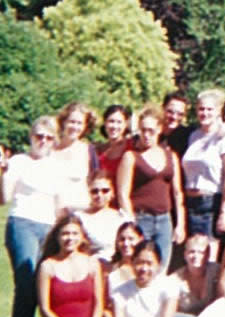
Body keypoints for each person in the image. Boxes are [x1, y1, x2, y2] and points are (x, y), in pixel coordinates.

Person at [0, 116, 72, 317]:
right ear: (31, 137)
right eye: (39, 136)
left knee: (46, 280)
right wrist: (2, 173)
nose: (43, 141)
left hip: (48, 227)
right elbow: (2, 199)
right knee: (27, 277)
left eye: (49, 138)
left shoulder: (57, 167)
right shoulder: (19, 162)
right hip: (22, 223)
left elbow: (60, 205)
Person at [116, 105, 185, 267]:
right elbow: (122, 193)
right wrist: (131, 222)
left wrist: (180, 224)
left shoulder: (170, 156)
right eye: (143, 130)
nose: (146, 135)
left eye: (151, 131)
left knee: (161, 267)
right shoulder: (131, 157)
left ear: (160, 129)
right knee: (139, 266)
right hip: (141, 218)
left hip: (164, 220)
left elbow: (177, 192)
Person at [34, 213, 104, 317]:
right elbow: (44, 309)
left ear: (82, 237)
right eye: (65, 234)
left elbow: (99, 303)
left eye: (74, 233)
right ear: (57, 237)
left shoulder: (92, 263)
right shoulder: (47, 266)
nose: (70, 238)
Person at [179, 89, 225, 258]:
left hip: (210, 203)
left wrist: (224, 211)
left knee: (208, 256)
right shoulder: (194, 136)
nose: (204, 113)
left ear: (217, 112)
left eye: (209, 109)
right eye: (201, 109)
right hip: (190, 202)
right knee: (193, 256)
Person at [52, 103, 100, 214]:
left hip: (79, 211)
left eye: (79, 123)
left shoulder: (88, 151)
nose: (75, 127)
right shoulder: (50, 149)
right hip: (51, 211)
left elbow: (95, 182)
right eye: (72, 122)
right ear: (63, 122)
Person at [170, 232, 220, 317]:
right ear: (185, 255)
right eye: (191, 252)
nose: (195, 256)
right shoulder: (174, 279)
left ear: (207, 255)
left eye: (201, 252)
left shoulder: (216, 272)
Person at [77, 169, 130, 257]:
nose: (99, 195)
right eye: (95, 191)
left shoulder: (122, 218)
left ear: (112, 193)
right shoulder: (80, 218)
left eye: (105, 190)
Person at [94, 105, 133, 203]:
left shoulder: (131, 148)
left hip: (128, 202)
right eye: (111, 121)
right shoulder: (98, 150)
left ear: (125, 124)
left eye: (119, 122)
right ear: (105, 123)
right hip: (105, 204)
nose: (114, 126)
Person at [105, 220, 147, 292]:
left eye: (131, 239)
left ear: (141, 239)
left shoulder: (146, 269)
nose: (126, 244)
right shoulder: (110, 270)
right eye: (122, 239)